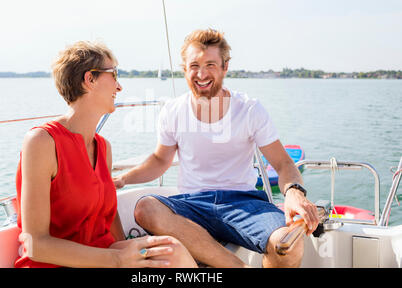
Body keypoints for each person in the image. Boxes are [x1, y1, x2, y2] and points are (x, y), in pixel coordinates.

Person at [113, 29, 320, 268]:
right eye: (194, 65)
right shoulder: (173, 111)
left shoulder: (249, 110)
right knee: (146, 208)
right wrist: (123, 179)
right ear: (184, 69)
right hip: (192, 205)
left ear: (225, 67)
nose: (201, 74)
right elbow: (160, 160)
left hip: (244, 203)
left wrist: (294, 192)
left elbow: (283, 163)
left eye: (210, 64)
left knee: (288, 244)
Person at [14, 40, 197, 268]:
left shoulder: (103, 147)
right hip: (59, 263)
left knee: (171, 250)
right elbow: (35, 245)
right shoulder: (42, 142)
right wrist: (117, 259)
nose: (119, 87)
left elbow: (109, 220)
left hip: (104, 257)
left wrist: (126, 255)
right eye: (114, 75)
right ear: (90, 79)